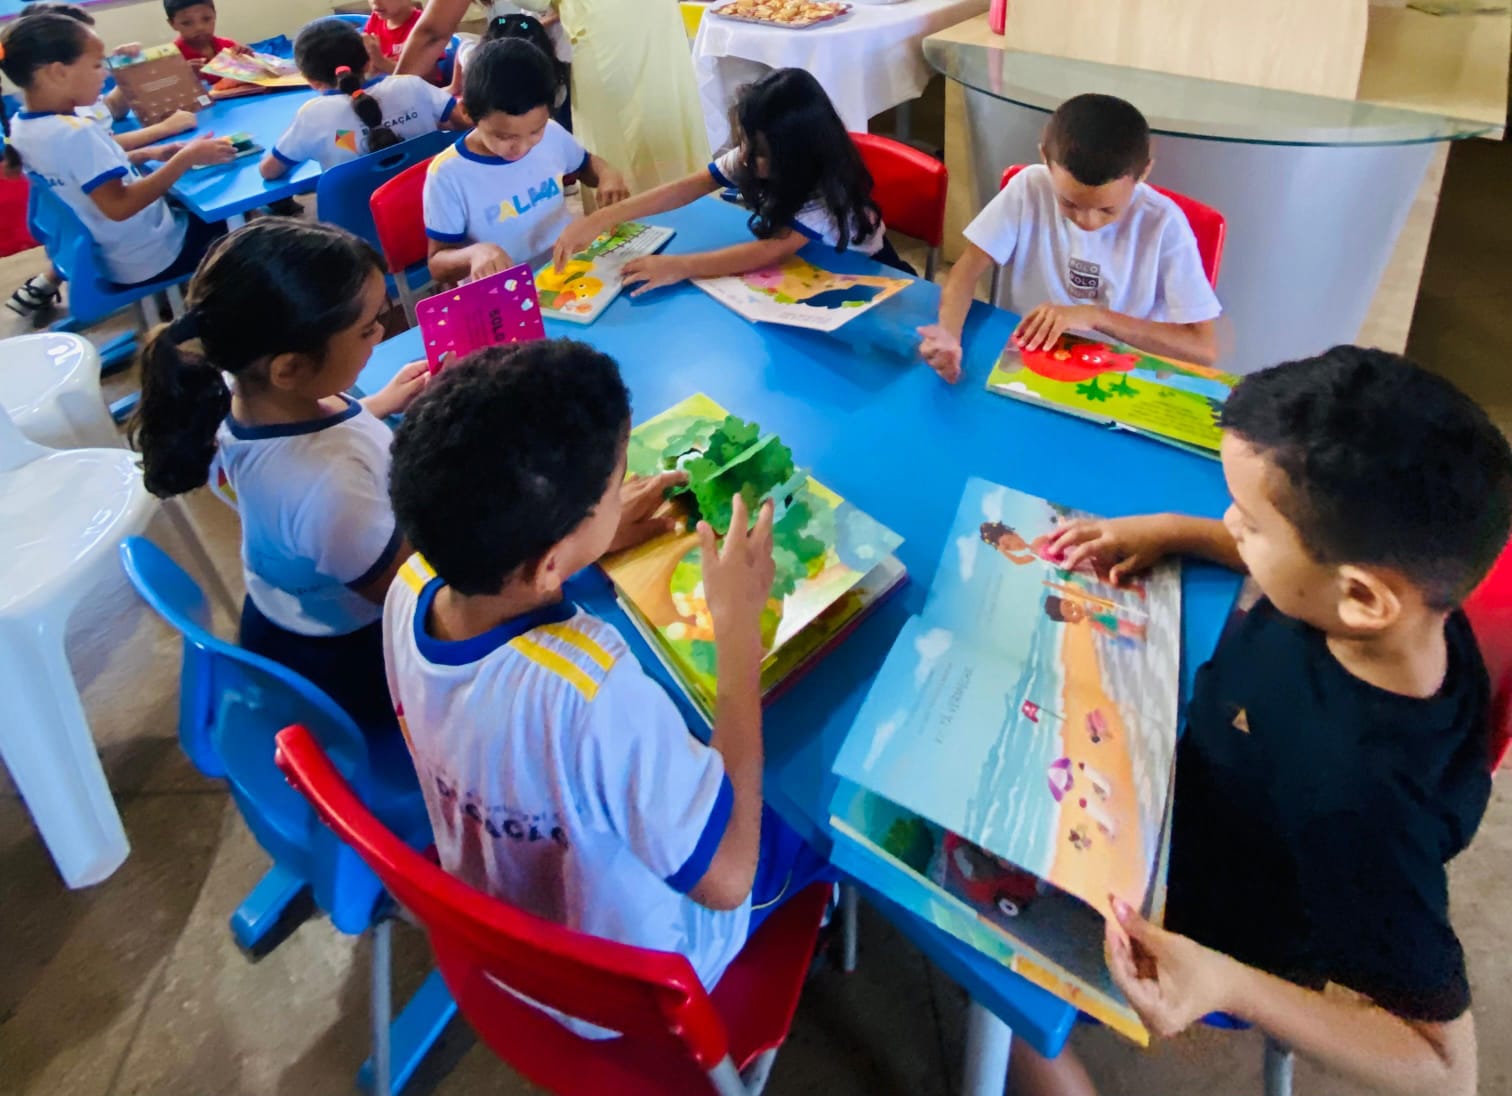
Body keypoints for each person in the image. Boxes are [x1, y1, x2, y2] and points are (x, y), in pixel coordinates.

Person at [1013, 346, 1512, 1096]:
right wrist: (1175, 530)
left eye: (1247, 521)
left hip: (1199, 907)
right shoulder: (1405, 622)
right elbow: (1310, 565)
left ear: (1363, 598)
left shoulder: (1357, 799)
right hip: (1215, 775)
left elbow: (1447, 1069)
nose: (1228, 524)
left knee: (980, 946)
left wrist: (1227, 984)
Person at [385, 341, 835, 1025]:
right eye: (614, 482)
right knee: (816, 813)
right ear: (546, 562)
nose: (626, 485)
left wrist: (579, 546)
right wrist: (738, 631)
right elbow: (728, 877)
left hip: (499, 932)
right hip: (626, 990)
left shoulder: (409, 583)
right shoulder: (592, 693)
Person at [127, 220, 431, 736]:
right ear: (288, 369)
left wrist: (375, 407)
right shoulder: (331, 489)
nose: (383, 333)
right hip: (351, 663)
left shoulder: (232, 388)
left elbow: (315, 445)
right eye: (367, 329)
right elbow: (421, 601)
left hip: (288, 617)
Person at [919, 94, 1222, 384]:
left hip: (1118, 374)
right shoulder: (1028, 188)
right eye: (1069, 203)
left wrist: (1093, 316)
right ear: (1045, 159)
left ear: (1143, 173)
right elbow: (965, 271)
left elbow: (1202, 348)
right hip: (1028, 361)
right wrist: (948, 331)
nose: (1086, 221)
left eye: (1107, 209)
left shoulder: (1164, 224)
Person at [552, 68, 912, 293]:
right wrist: (600, 219)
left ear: (798, 156)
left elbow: (769, 250)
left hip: (869, 275)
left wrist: (679, 266)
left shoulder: (826, 192)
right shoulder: (754, 155)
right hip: (811, 269)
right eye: (746, 144)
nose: (746, 159)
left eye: (761, 154)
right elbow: (685, 187)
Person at [0, 13, 236, 290]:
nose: (106, 73)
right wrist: (187, 157)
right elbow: (120, 206)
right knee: (241, 219)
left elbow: (78, 176)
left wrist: (148, 154)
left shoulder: (22, 125)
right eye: (97, 65)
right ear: (57, 72)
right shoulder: (77, 133)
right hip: (154, 257)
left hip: (110, 257)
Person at [394, 0, 704, 192]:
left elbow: (434, 32)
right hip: (651, 25)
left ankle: (647, 243)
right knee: (664, 135)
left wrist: (391, 98)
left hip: (614, 46)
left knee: (629, 154)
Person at [423, 38, 625, 284]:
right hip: (505, 291)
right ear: (467, 112)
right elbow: (437, 264)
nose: (522, 147)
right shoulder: (448, 175)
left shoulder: (550, 132)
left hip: (568, 270)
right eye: (504, 136)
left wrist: (607, 174)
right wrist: (475, 253)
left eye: (534, 131)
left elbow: (585, 165)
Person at [260, 17, 459, 178]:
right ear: (368, 62)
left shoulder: (312, 116)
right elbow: (464, 123)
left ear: (310, 80)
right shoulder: (411, 85)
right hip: (431, 206)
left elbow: (269, 171)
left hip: (356, 224)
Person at [450, 11, 570, 133]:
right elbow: (463, 47)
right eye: (502, 136)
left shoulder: (554, 87)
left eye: (534, 132)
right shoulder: (556, 90)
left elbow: (463, 47)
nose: (520, 150)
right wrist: (455, 85)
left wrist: (455, 85)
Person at [164, 0, 248, 81]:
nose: (200, 27)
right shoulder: (170, 59)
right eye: (187, 23)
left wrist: (251, 62)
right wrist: (183, 78)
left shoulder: (228, 45)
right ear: (172, 24)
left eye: (206, 19)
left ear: (215, 15)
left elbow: (246, 78)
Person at [360, 0, 421, 74]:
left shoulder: (422, 26)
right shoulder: (376, 18)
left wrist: (380, 61)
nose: (374, 1)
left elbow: (421, 75)